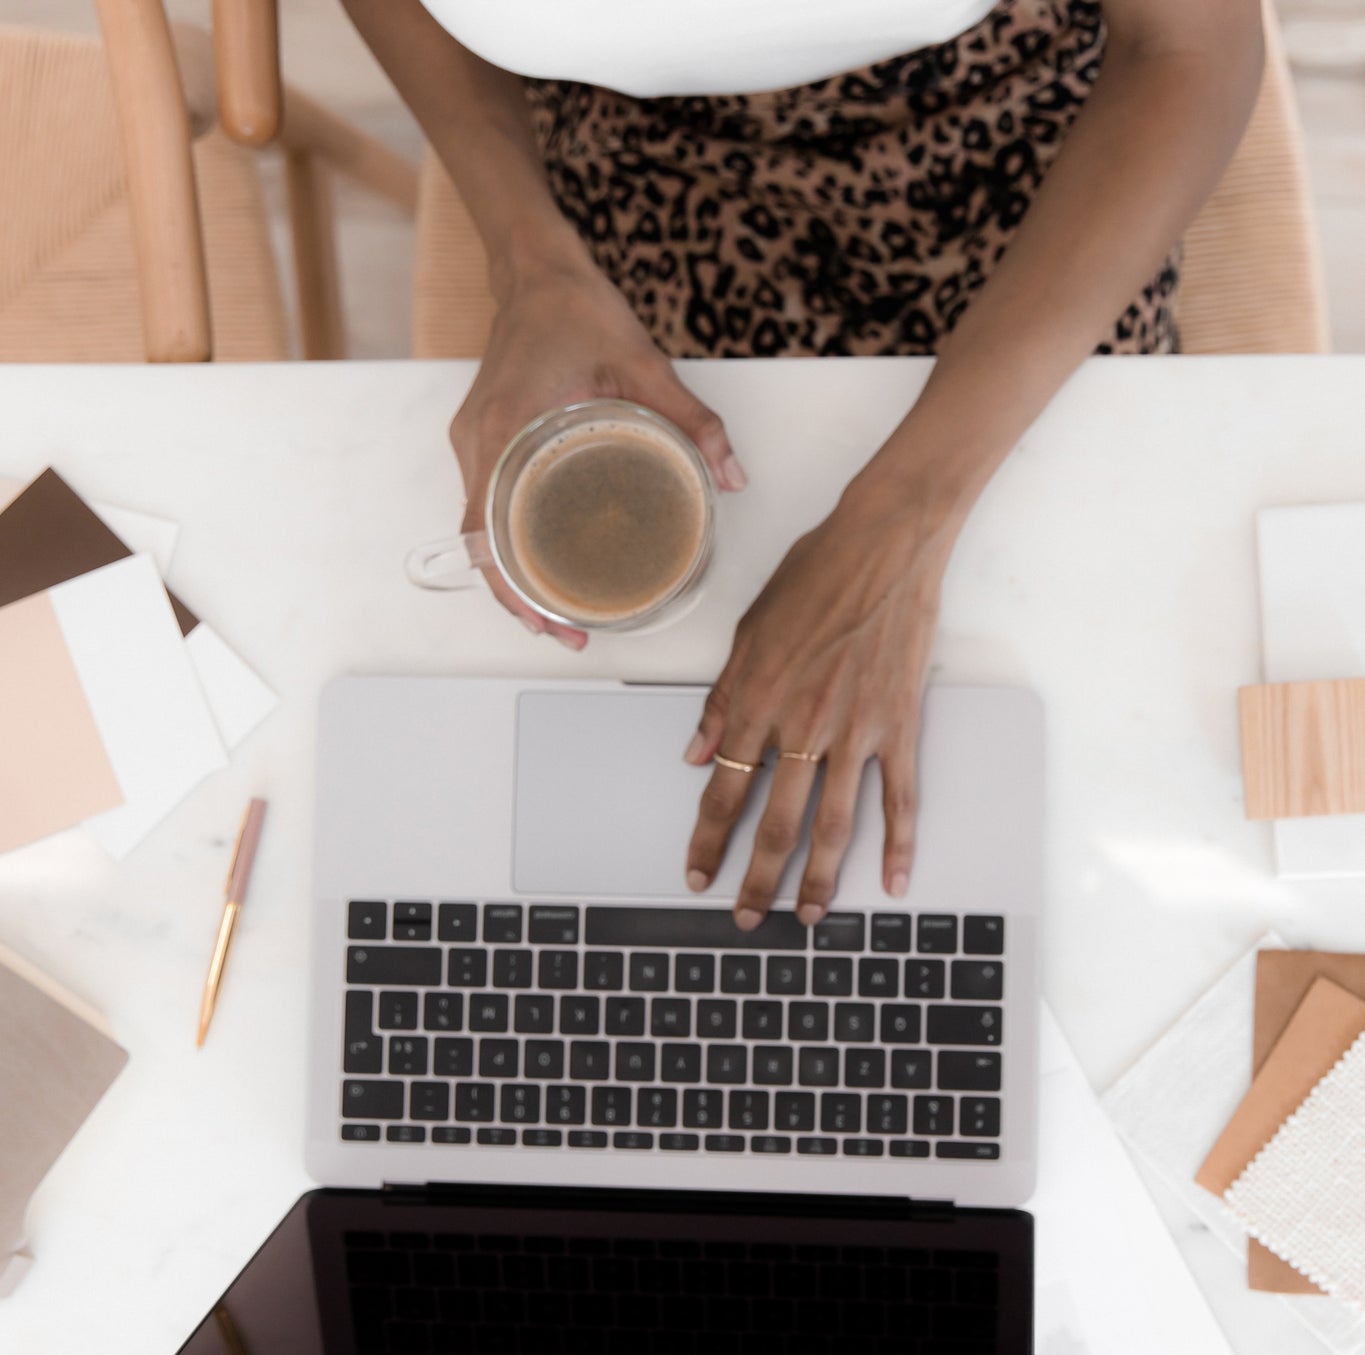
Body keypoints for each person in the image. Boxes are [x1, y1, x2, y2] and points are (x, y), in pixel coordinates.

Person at [343, 0, 1263, 926]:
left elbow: (1189, 45)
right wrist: (528, 260)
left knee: (1085, 678)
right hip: (633, 149)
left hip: (1006, 128)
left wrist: (900, 524)